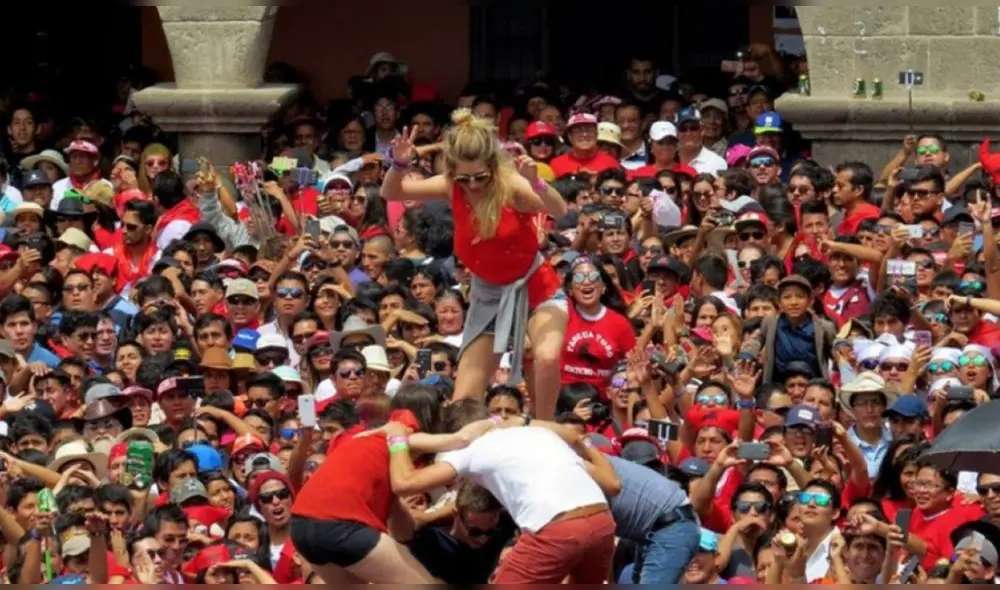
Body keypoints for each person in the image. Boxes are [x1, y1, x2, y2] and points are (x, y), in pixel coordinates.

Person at [380, 109, 569, 419]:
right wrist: (400, 163)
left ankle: (545, 428)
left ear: (493, 168)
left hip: (535, 285)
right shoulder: (451, 185)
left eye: (480, 177)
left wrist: (536, 184)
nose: (474, 184)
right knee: (464, 399)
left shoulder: (510, 184)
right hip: (487, 294)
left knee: (547, 358)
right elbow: (393, 191)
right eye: (465, 178)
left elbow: (558, 210)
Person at [378, 399, 620, 583]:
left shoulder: (474, 448)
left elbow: (405, 483)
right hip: (602, 524)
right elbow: (612, 485)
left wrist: (396, 439)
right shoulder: (541, 433)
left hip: (557, 529)